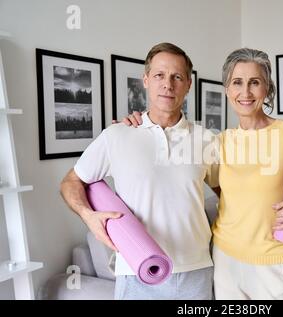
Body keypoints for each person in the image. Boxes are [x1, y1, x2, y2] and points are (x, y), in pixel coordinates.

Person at [123, 48, 283, 300]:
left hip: (277, 261)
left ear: (267, 88)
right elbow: (216, 189)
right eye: (237, 82)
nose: (245, 92)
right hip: (226, 261)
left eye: (255, 82)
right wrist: (134, 124)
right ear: (227, 89)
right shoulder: (218, 143)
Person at [60, 42, 219, 300]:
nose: (168, 84)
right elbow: (71, 181)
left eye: (177, 77)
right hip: (136, 271)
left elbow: (229, 193)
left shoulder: (207, 140)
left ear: (188, 85)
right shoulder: (116, 135)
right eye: (159, 75)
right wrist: (87, 215)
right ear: (145, 80)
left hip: (195, 271)